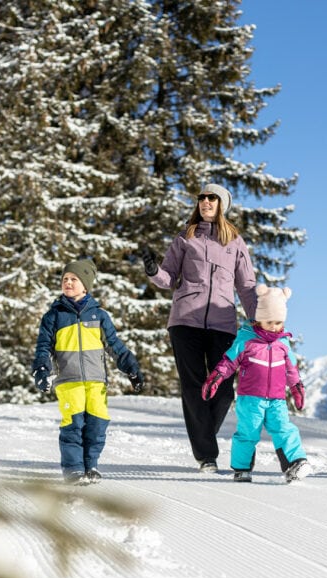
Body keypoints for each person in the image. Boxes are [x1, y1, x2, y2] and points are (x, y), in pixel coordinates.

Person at [140, 184, 257, 473]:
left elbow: (247, 286)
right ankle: (207, 456)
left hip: (223, 323)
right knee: (193, 387)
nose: (205, 201)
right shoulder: (186, 236)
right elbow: (169, 278)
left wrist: (258, 323)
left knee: (224, 390)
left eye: (212, 198)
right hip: (185, 321)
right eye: (202, 197)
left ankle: (204, 438)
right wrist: (154, 271)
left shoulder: (235, 242)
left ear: (222, 204)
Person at [32, 258, 144, 484]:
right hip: (68, 380)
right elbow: (43, 347)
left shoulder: (99, 316)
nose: (68, 283)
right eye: (65, 279)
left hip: (96, 381)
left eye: (74, 279)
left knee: (97, 424)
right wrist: (42, 370)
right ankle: (73, 468)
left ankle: (91, 465)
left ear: (86, 285)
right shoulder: (54, 316)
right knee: (73, 424)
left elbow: (115, 346)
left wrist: (132, 369)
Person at [201, 285, 310, 483]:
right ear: (259, 318)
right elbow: (229, 361)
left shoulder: (283, 344)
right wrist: (216, 377)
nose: (275, 327)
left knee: (284, 429)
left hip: (277, 399)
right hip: (250, 398)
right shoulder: (246, 340)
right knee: (248, 433)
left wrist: (296, 387)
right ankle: (242, 468)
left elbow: (291, 369)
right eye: (270, 322)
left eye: (279, 322)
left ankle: (295, 463)